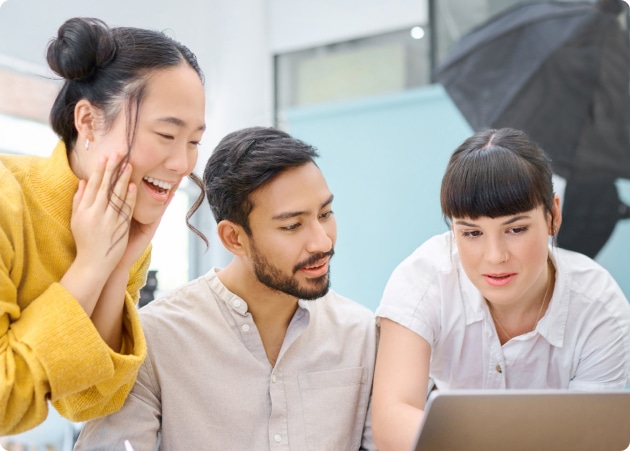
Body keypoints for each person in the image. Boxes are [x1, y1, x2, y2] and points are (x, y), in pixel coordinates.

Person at [74, 126, 377, 450]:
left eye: (325, 213)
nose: (322, 241)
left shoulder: (361, 334)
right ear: (234, 238)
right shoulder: (155, 340)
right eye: (292, 226)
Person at [0, 17, 206, 435]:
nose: (183, 164)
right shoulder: (7, 199)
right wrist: (91, 265)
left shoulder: (121, 222)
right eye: (167, 135)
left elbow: (93, 401)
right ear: (88, 121)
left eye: (195, 141)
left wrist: (116, 267)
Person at [371, 128, 630, 451]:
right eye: (471, 233)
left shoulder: (600, 309)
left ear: (553, 216)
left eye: (516, 228)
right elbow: (391, 419)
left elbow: (591, 440)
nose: (495, 256)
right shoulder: (423, 280)